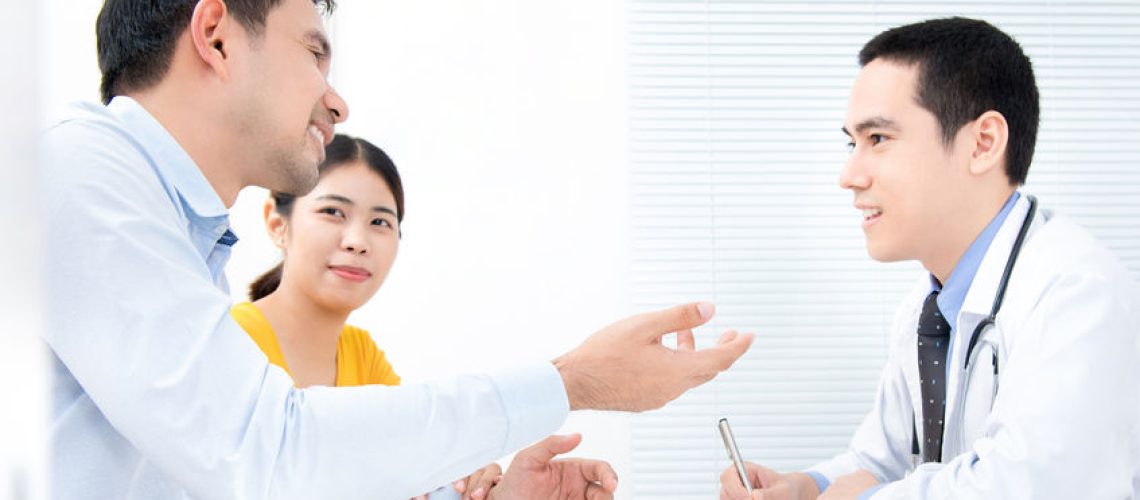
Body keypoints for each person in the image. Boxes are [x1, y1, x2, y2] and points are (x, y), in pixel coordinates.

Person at [40, 0, 756, 499]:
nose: (336, 100)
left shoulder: (173, 228)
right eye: (314, 51)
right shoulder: (79, 171)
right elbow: (269, 457)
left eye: (383, 223)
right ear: (217, 35)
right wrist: (574, 381)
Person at [720, 17, 1140, 500]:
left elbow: (1033, 486)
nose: (849, 175)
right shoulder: (930, 307)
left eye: (878, 139)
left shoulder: (1078, 294)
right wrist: (806, 487)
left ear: (983, 143)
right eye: (851, 143)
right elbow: (880, 459)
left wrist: (858, 498)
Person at [233, 133, 612, 500]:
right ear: (277, 223)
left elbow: (408, 479)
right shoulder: (230, 340)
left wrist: (489, 490)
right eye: (333, 212)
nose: (357, 241)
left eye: (380, 222)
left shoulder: (362, 354)